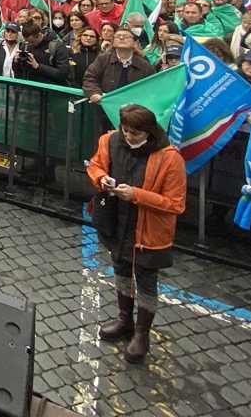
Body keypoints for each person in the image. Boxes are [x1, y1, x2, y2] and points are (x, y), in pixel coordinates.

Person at [87, 104, 187, 365]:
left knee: (145, 282)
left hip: (149, 232)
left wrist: (137, 195)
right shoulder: (110, 140)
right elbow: (96, 166)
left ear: (149, 131)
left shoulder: (170, 158)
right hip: (117, 223)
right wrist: (102, 180)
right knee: (120, 271)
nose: (129, 136)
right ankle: (124, 319)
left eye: (135, 133)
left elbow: (175, 203)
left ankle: (142, 333)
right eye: (125, 130)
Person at [82, 26, 156, 142]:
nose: (121, 38)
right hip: (104, 112)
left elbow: (152, 89)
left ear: (135, 43)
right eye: (118, 36)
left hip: (133, 117)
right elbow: (89, 78)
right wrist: (94, 93)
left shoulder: (145, 65)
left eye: (126, 37)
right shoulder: (103, 59)